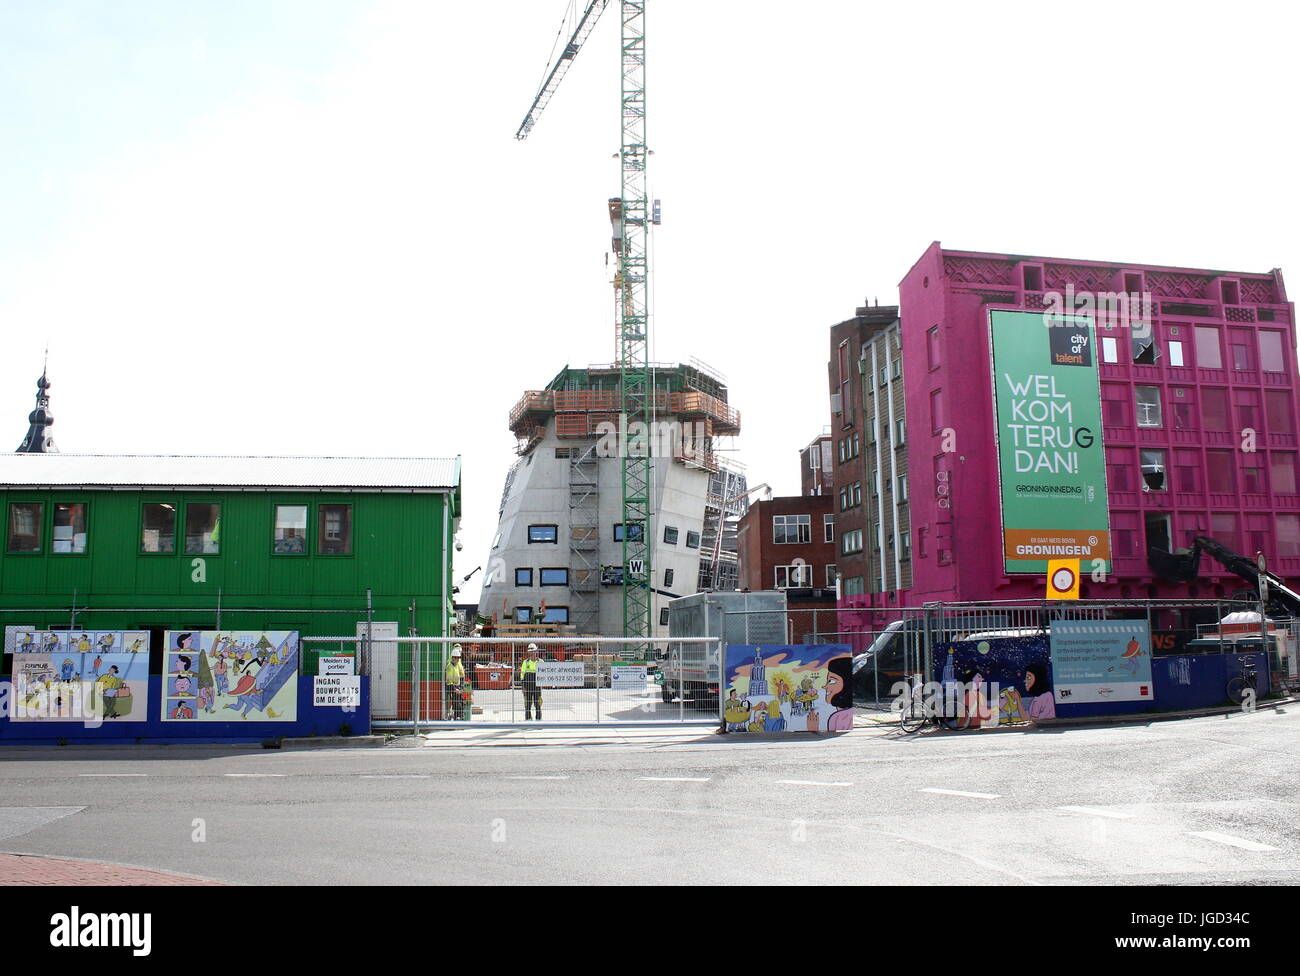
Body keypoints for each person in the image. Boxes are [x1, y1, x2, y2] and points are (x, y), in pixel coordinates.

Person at [519, 643, 542, 721]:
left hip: (537, 686)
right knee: (527, 704)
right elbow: (522, 675)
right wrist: (523, 687)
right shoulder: (525, 662)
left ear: (536, 652)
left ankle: (538, 719)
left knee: (538, 703)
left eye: (533, 651)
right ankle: (528, 718)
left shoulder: (541, 662)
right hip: (527, 686)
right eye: (530, 652)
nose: (531, 653)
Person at [446, 645, 469, 720]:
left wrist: (461, 687)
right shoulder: (450, 667)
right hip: (453, 687)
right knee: (456, 702)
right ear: (453, 658)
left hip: (458, 686)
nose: (458, 660)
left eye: (458, 658)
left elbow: (461, 674)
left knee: (461, 701)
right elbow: (449, 681)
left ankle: (460, 716)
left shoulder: (456, 665)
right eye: (457, 658)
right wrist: (455, 689)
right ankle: (457, 717)